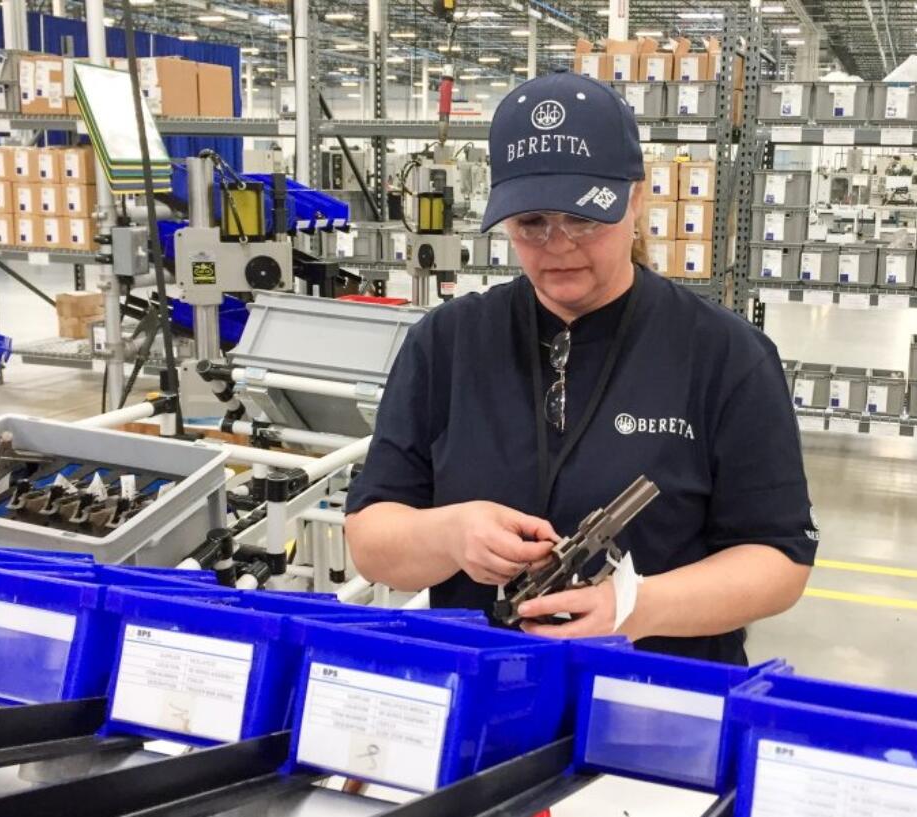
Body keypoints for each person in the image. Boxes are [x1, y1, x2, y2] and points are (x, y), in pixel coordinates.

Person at [345, 71, 817, 665]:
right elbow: (370, 539)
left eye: (585, 219)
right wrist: (450, 536)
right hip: (484, 691)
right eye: (531, 224)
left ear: (636, 198)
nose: (559, 245)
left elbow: (779, 559)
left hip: (655, 696)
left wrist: (637, 608)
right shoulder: (447, 343)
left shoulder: (725, 355)